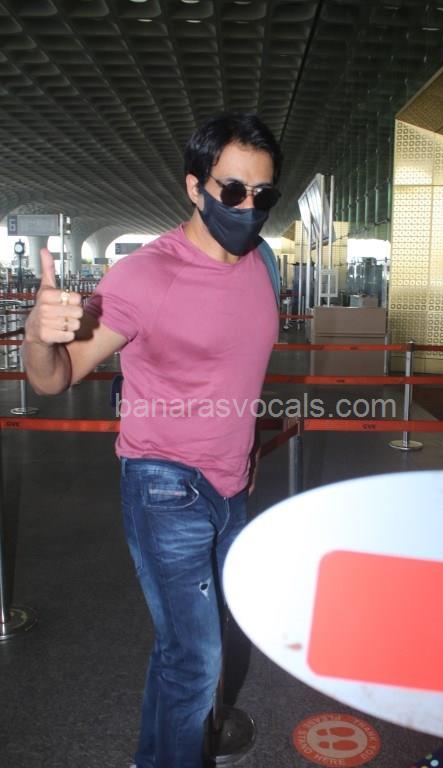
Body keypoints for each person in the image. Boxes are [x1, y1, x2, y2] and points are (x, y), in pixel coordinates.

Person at [22, 112, 283, 768]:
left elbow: (239, 367)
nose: (248, 208)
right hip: (166, 486)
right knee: (196, 660)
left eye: (262, 195)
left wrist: (247, 443)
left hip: (232, 482)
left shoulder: (263, 262)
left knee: (190, 649)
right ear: (195, 187)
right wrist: (37, 337)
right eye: (232, 190)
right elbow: (57, 377)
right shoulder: (145, 275)